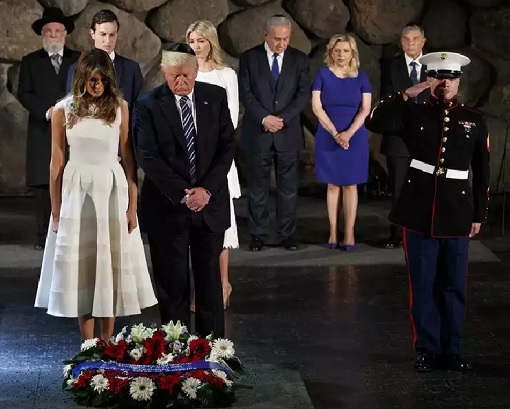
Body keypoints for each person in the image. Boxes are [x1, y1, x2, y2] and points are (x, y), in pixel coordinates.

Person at [365, 52, 490, 372]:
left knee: (453, 286)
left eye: (451, 78)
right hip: (419, 211)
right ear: (430, 79)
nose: (445, 84)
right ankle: (427, 349)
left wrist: (479, 214)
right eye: (438, 77)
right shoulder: (413, 114)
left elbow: (482, 170)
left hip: (458, 212)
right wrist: (406, 94)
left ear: (459, 81)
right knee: (422, 285)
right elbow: (374, 121)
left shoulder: (474, 119)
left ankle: (452, 350)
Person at [34, 49, 157, 341]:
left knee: (108, 265)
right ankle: (88, 345)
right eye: (92, 80)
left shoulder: (120, 108)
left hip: (110, 191)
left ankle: (108, 342)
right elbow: (56, 161)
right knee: (84, 268)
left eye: (102, 80)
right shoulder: (63, 110)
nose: (97, 85)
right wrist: (55, 209)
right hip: (77, 191)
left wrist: (132, 206)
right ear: (81, 79)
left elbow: (129, 159)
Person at [134, 43, 235, 338]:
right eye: (174, 76)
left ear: (196, 71)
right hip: (168, 209)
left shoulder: (214, 97)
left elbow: (226, 146)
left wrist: (206, 191)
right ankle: (176, 355)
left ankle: (213, 355)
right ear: (164, 73)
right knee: (172, 287)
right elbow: (148, 157)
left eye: (186, 75)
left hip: (210, 205)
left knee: (209, 287)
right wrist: (185, 193)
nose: (181, 82)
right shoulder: (148, 104)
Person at [238, 14, 311, 252]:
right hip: (258, 133)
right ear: (265, 34)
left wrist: (282, 119)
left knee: (288, 189)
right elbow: (246, 93)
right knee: (258, 189)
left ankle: (286, 236)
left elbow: (302, 95)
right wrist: (264, 118)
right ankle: (258, 236)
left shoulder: (300, 60)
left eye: (286, 39)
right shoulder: (249, 58)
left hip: (287, 134)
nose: (281, 43)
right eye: (277, 39)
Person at [186, 20, 240, 311]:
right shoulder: (185, 73)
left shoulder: (225, 75)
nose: (196, 46)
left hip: (217, 160)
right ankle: (200, 287)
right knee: (194, 227)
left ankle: (223, 284)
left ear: (211, 43)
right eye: (192, 40)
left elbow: (230, 119)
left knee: (219, 227)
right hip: (190, 161)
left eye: (201, 41)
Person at [18, 7, 80, 250]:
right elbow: (24, 92)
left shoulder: (78, 59)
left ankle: (70, 232)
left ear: (65, 34)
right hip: (41, 129)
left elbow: (82, 89)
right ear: (42, 34)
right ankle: (44, 234)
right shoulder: (31, 61)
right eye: (48, 31)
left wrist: (68, 112)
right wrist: (47, 112)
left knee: (71, 178)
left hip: (72, 128)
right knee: (43, 183)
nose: (53, 35)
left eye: (57, 31)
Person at [311, 34, 372, 250]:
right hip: (328, 133)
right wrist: (336, 133)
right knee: (333, 185)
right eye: (337, 51)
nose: (341, 55)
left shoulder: (362, 77)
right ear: (331, 52)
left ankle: (349, 233)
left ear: (352, 53)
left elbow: (365, 109)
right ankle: (333, 232)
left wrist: (347, 134)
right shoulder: (322, 74)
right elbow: (317, 107)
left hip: (354, 136)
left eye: (345, 51)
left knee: (351, 185)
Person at [380, 24, 428, 249]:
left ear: (423, 42)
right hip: (399, 137)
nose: (410, 43)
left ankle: (424, 229)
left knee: (426, 185)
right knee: (399, 187)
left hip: (427, 137)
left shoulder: (434, 66)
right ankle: (398, 233)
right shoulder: (391, 66)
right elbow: (387, 100)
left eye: (415, 39)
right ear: (401, 41)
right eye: (406, 39)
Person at [66, 9, 143, 114]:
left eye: (112, 35)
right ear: (92, 34)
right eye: (103, 34)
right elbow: (71, 107)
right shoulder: (76, 69)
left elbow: (138, 110)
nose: (108, 41)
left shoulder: (132, 69)